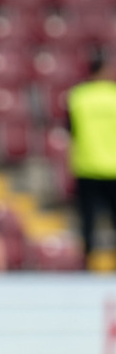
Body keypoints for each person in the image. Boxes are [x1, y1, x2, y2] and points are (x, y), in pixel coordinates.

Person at [66, 50, 116, 270]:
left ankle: (87, 266)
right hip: (113, 166)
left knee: (88, 222)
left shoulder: (78, 97)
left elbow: (70, 129)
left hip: (86, 165)